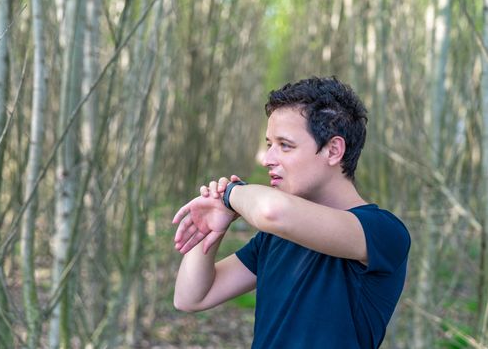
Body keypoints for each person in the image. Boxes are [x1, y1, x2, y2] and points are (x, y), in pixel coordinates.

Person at [172, 76, 411, 348]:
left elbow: (271, 211)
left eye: (285, 145)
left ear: (333, 150)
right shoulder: (275, 238)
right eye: (269, 144)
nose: (267, 159)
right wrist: (208, 227)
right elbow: (190, 297)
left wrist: (229, 194)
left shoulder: (382, 231)